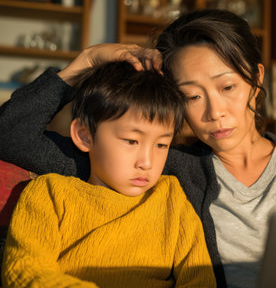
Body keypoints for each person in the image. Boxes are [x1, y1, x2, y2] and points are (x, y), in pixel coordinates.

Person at [0, 9, 276, 288]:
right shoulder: (161, 167)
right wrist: (84, 64)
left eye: (228, 87)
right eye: (191, 95)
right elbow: (12, 134)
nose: (215, 112)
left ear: (256, 80)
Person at [1, 60, 216, 288]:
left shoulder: (172, 198)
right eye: (132, 141)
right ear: (84, 136)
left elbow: (200, 281)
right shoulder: (49, 193)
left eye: (161, 145)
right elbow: (25, 270)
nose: (147, 162)